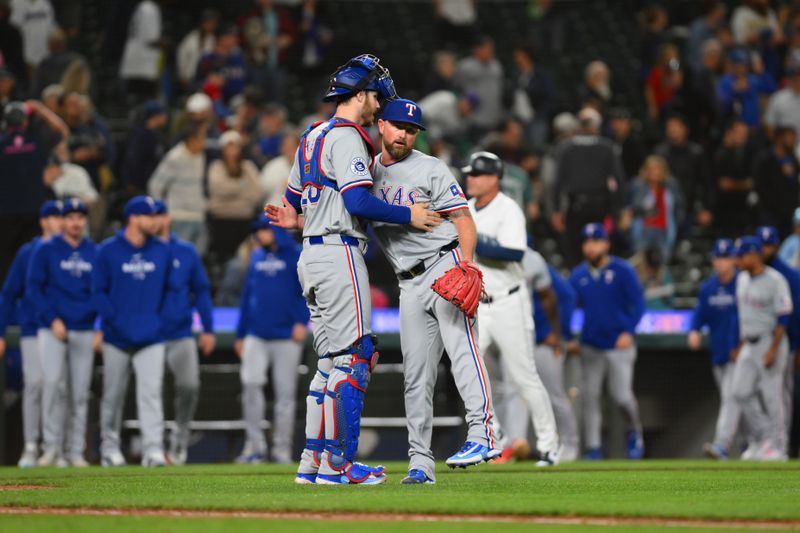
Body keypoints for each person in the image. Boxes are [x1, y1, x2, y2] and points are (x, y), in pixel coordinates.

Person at [266, 54, 440, 486]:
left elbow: (292, 200)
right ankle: (339, 465)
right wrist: (409, 215)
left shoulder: (312, 135)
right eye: (376, 96)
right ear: (359, 94)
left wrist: (298, 219)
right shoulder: (346, 136)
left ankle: (313, 462)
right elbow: (358, 201)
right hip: (339, 252)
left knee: (328, 365)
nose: (380, 105)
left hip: (311, 254)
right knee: (355, 358)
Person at [369, 100, 500, 484]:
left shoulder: (431, 167)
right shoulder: (366, 174)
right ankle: (420, 462)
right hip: (407, 282)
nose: (404, 135)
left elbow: (464, 220)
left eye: (411, 130)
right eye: (398, 127)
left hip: (444, 265)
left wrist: (468, 263)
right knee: (416, 375)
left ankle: (482, 433)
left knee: (462, 349)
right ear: (382, 126)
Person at [464, 151, 559, 466]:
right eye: (470, 174)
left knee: (523, 377)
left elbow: (515, 252)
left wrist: (473, 239)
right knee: (467, 370)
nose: (470, 179)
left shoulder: (509, 210)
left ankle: (548, 446)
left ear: (494, 179)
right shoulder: (465, 209)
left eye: (476, 174)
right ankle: (491, 438)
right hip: (479, 304)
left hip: (509, 301)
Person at [93, 195, 173, 467]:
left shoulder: (162, 250)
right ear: (133, 218)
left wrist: (158, 321)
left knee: (151, 394)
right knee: (112, 395)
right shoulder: (107, 250)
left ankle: (153, 449)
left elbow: (171, 292)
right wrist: (111, 320)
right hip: (116, 336)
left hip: (151, 336)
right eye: (147, 216)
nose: (154, 221)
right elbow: (98, 292)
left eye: (155, 216)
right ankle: (109, 448)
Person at [27, 198, 97, 467]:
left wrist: (96, 322)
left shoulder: (95, 251)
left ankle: (75, 450)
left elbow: (101, 290)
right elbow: (34, 289)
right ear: (63, 220)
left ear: (85, 221)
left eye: (80, 217)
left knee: (79, 392)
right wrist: (51, 318)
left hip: (84, 328)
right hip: (52, 328)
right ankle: (51, 448)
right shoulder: (46, 250)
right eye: (70, 217)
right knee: (53, 386)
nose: (75, 222)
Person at [234, 214, 308, 465]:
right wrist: (240, 333)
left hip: (287, 335)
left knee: (285, 396)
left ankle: (281, 450)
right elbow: (247, 296)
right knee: (251, 385)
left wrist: (301, 320)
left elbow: (307, 290)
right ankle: (253, 447)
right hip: (256, 333)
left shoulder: (296, 253)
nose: (258, 235)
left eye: (262, 230)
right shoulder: (255, 256)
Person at [570, 223, 645, 460]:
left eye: (595, 242)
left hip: (619, 344)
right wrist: (568, 337)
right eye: (586, 242)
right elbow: (567, 305)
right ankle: (593, 447)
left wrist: (629, 331)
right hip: (591, 344)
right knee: (590, 397)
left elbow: (639, 304)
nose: (590, 247)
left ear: (606, 244)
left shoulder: (622, 270)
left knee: (622, 396)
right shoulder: (578, 275)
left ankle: (635, 432)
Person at [0, 200, 62, 467]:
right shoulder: (29, 252)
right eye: (55, 217)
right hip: (32, 329)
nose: (60, 222)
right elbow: (10, 292)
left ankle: (56, 447)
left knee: (59, 387)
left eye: (63, 217)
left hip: (60, 331)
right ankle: (30, 446)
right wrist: (2, 331)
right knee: (35, 385)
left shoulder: (70, 251)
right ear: (43, 221)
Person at [153, 200, 215, 465]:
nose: (156, 220)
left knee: (189, 385)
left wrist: (209, 329)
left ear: (168, 218)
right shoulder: (140, 251)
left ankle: (179, 435)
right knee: (150, 391)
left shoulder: (185, 251)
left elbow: (201, 290)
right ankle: (153, 445)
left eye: (159, 215)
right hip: (150, 335)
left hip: (180, 331)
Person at [729, 236, 792, 460]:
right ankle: (762, 438)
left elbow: (784, 317)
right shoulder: (741, 280)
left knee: (772, 397)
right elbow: (743, 316)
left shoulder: (776, 280)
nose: (738, 260)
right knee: (739, 391)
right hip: (748, 342)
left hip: (770, 341)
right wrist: (739, 344)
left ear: (755, 255)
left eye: (742, 255)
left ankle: (779, 447)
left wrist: (773, 349)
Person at [0, 99, 68, 282]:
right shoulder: (37, 141)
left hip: (4, 212)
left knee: (5, 262)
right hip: (33, 209)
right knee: (32, 259)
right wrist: (41, 108)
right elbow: (62, 131)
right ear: (25, 121)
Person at [688, 239, 742, 459]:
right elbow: (699, 314)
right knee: (734, 400)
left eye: (725, 257)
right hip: (718, 352)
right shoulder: (709, 287)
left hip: (742, 353)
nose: (721, 262)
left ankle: (722, 444)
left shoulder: (743, 283)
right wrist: (694, 330)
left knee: (732, 398)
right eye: (718, 258)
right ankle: (751, 443)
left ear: (733, 259)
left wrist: (741, 344)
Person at [551, 107, 624, 267]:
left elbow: (557, 182)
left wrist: (556, 210)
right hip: (600, 206)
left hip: (577, 206)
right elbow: (618, 180)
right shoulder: (607, 146)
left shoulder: (566, 147)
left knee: (576, 252)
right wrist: (619, 210)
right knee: (600, 249)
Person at [756, 226, 800, 457]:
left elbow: (795, 314)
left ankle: (783, 446)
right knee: (754, 394)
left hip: (784, 343)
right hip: (758, 343)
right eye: (761, 245)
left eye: (768, 245)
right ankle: (763, 443)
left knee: (782, 396)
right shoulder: (750, 274)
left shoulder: (788, 276)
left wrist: (796, 345)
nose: (764, 249)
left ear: (774, 245)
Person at [148, 121, 208, 255]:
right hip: (179, 217)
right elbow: (155, 185)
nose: (204, 142)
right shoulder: (175, 157)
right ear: (192, 139)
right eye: (202, 138)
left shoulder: (201, 156)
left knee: (197, 258)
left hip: (198, 217)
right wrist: (160, 213)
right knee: (179, 259)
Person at [207, 129, 263, 262]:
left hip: (245, 221)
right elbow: (217, 188)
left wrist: (229, 193)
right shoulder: (216, 167)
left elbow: (257, 193)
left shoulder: (248, 167)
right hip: (221, 221)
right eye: (228, 147)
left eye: (235, 147)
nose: (232, 151)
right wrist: (242, 186)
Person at [753, 126, 798, 238]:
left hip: (788, 214)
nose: (794, 140)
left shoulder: (793, 160)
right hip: (769, 213)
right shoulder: (764, 159)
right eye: (790, 137)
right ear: (779, 138)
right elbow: (760, 186)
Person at [119, 0, 162, 105]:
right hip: (143, 64)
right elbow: (151, 39)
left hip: (133, 61)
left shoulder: (141, 6)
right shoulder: (150, 9)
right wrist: (164, 44)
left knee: (133, 102)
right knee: (145, 103)